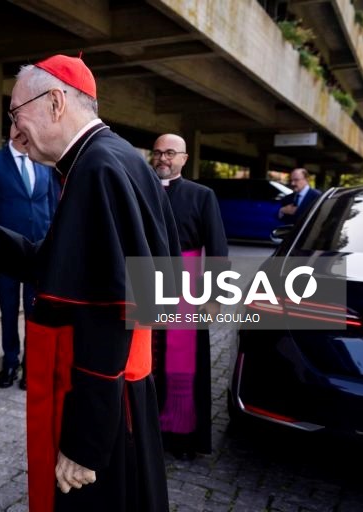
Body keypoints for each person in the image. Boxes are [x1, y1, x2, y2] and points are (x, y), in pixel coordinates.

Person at [0, 55, 179, 511]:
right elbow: (61, 265)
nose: (14, 131)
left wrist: (84, 442)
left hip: (101, 394)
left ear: (55, 102)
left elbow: (108, 311)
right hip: (124, 386)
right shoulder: (115, 157)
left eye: (17, 113)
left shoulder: (96, 169)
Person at [150, 133, 229, 460]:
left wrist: (214, 298)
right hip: (145, 280)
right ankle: (145, 427)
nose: (163, 159)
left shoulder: (203, 195)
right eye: (157, 153)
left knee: (182, 360)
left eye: (170, 153)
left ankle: (180, 436)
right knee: (146, 356)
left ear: (183, 158)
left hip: (186, 285)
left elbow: (218, 248)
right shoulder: (142, 189)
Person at [0, 125, 60, 389]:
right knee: (9, 311)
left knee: (34, 313)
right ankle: (10, 362)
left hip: (40, 251)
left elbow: (51, 205)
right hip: (7, 254)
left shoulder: (43, 162)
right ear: (13, 133)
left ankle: (30, 365)